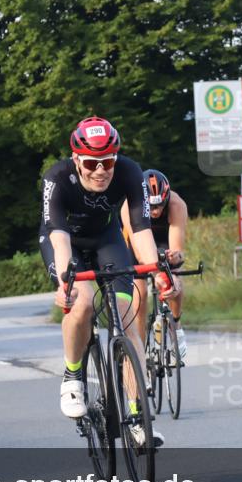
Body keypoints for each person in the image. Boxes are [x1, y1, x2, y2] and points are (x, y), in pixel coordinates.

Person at [39, 117, 178, 447]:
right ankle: (73, 376)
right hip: (66, 243)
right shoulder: (57, 178)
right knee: (83, 302)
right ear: (76, 160)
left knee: (128, 316)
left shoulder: (130, 172)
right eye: (91, 163)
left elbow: (142, 229)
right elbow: (57, 235)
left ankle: (136, 415)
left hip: (106, 239)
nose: (100, 170)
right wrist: (65, 282)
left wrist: (157, 271)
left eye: (107, 162)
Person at [120, 169, 189, 358]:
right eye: (151, 207)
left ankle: (175, 325)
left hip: (164, 240)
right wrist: (155, 272)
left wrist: (174, 258)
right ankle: (140, 353)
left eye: (160, 205)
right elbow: (140, 254)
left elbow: (178, 249)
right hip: (137, 244)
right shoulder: (129, 207)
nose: (156, 211)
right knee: (139, 297)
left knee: (174, 280)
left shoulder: (177, 205)